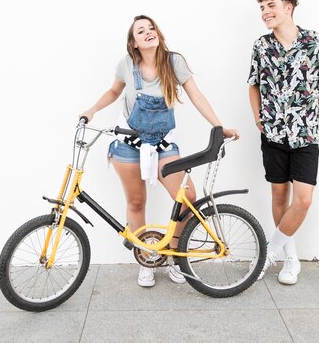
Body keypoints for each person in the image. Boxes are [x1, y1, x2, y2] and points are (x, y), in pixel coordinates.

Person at [80, 15, 239, 288]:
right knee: (136, 202)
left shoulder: (174, 61)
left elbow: (196, 95)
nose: (148, 32)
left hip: (164, 143)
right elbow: (113, 92)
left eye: (151, 28)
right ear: (134, 42)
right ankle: (146, 259)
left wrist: (218, 125)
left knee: (187, 198)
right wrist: (91, 111)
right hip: (128, 144)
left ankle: (176, 257)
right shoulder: (127, 64)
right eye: (141, 31)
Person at [247, 0, 319, 285]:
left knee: (302, 200)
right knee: (279, 194)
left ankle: (267, 253)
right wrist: (257, 118)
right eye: (262, 7)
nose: (265, 12)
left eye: (271, 5)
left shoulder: (317, 42)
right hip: (273, 134)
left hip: (306, 134)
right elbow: (252, 84)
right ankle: (290, 258)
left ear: (288, 7)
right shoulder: (262, 45)